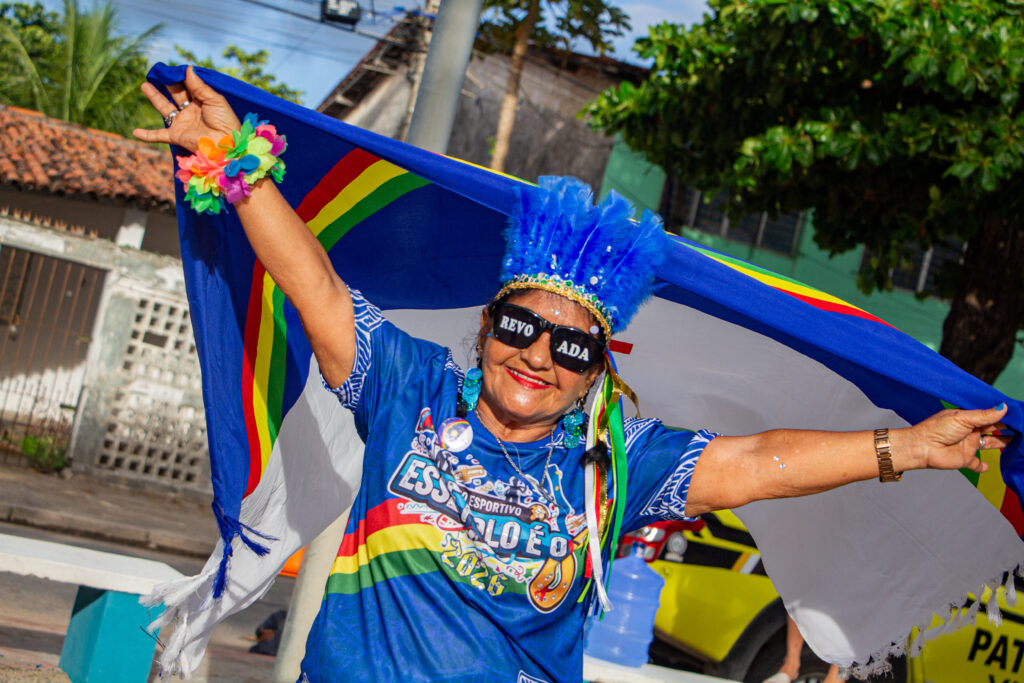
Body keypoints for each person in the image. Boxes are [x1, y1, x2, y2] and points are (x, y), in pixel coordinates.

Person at [134, 67, 1013, 682]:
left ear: (598, 371)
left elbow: (759, 463)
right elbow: (316, 285)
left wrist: (909, 446)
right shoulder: (405, 388)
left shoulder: (613, 466)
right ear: (486, 329)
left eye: (572, 347)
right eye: (520, 326)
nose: (539, 355)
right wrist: (237, 167)